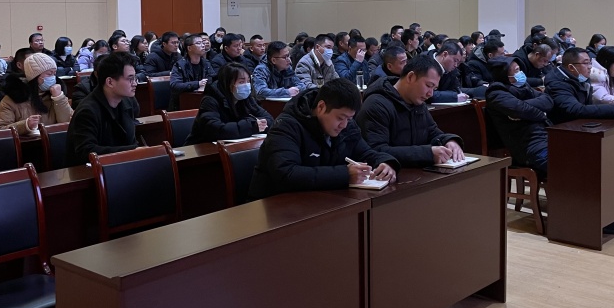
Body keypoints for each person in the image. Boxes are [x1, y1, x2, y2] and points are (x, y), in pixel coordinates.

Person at [248, 78, 399, 200]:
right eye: (340, 118)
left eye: (349, 118)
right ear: (321, 107)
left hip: (318, 201)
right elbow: (287, 174)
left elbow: (365, 152)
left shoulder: (347, 125)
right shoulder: (286, 126)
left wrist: (385, 162)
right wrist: (344, 175)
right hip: (275, 206)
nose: (344, 125)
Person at [355, 56, 465, 167]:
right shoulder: (376, 104)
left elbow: (432, 131)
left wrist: (449, 141)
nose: (430, 94)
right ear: (410, 77)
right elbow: (376, 151)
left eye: (434, 89)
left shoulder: (418, 102)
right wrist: (427, 154)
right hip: (391, 173)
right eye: (428, 86)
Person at [65, 52, 141, 166]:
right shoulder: (87, 110)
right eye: (130, 79)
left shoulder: (127, 101)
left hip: (120, 166)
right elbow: (86, 151)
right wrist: (131, 151)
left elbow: (131, 140)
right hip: (87, 171)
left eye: (135, 78)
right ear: (110, 82)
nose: (135, 83)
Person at [484, 56, 553, 178]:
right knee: (566, 165)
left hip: (546, 137)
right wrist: (542, 114)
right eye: (516, 70)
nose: (520, 73)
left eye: (519, 69)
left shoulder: (523, 87)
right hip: (528, 146)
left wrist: (524, 105)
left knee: (579, 156)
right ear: (504, 74)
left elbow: (548, 100)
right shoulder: (496, 93)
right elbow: (521, 109)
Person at [184, 63, 273, 145]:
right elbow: (215, 130)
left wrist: (255, 124)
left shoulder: (247, 99)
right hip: (202, 148)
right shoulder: (210, 100)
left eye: (248, 81)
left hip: (233, 146)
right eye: (241, 82)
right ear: (228, 84)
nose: (246, 85)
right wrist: (251, 125)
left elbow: (269, 120)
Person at [0, 53, 73, 136]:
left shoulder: (54, 95)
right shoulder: (12, 98)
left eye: (54, 73)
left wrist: (59, 98)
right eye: (49, 74)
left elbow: (69, 123)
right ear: (35, 76)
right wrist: (25, 125)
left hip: (54, 142)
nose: (53, 78)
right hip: (26, 143)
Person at [544, 47, 614, 124]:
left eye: (590, 63)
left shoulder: (582, 78)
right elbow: (575, 109)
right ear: (571, 67)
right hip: (562, 127)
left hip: (581, 124)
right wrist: (612, 109)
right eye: (585, 63)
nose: (590, 67)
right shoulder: (557, 84)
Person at [170, 35, 215, 110]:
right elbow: (175, 85)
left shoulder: (206, 63)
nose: (203, 45)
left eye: (203, 43)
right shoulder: (180, 65)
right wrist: (198, 84)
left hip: (203, 100)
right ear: (189, 48)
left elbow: (213, 78)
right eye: (198, 43)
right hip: (183, 103)